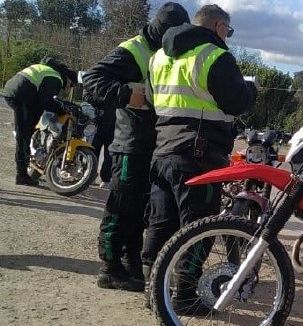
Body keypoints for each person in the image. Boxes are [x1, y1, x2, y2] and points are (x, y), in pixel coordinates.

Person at [142, 4, 257, 315]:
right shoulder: (215, 56)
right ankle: (183, 297)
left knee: (160, 223)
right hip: (199, 156)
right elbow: (236, 102)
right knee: (199, 229)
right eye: (228, 32)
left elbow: (154, 100)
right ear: (219, 26)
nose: (228, 37)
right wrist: (251, 89)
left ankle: (152, 291)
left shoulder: (159, 57)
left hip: (162, 151)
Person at [82, 2, 191, 292]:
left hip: (153, 144)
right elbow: (92, 78)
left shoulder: (167, 50)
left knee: (140, 209)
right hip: (130, 143)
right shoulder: (134, 49)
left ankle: (130, 264)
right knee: (121, 205)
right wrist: (126, 94)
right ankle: (108, 267)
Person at [2, 57, 77, 185]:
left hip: (17, 90)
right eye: (71, 86)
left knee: (31, 125)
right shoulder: (56, 78)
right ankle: (22, 175)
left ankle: (33, 158)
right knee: (24, 136)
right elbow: (47, 102)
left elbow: (43, 100)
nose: (68, 89)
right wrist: (63, 110)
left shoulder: (48, 71)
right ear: (68, 80)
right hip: (22, 95)